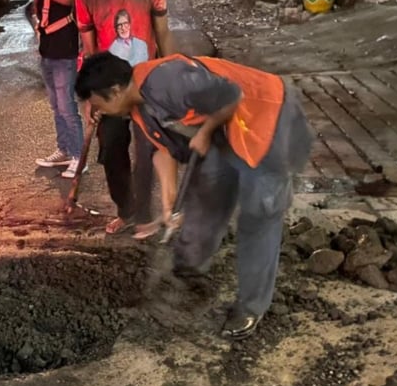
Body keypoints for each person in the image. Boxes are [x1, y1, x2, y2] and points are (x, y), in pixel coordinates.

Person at [75, 52, 313, 340]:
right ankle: (186, 276)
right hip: (225, 131)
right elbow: (163, 152)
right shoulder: (138, 107)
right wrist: (169, 204)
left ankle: (251, 307)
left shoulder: (167, 80)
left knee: (260, 212)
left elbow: (230, 95)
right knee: (206, 195)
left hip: (266, 115)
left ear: (114, 91)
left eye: (96, 104)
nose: (95, 111)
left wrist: (206, 131)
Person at [75, 0, 175, 236]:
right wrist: (90, 98)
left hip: (146, 88)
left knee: (147, 152)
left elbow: (163, 35)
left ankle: (144, 213)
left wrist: (171, 75)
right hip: (110, 92)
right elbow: (89, 52)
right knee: (112, 151)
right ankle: (126, 209)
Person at [11, 0, 84, 180]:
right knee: (56, 104)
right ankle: (64, 150)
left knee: (66, 105)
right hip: (48, 45)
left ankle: (78, 155)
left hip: (64, 44)